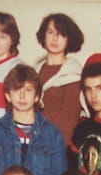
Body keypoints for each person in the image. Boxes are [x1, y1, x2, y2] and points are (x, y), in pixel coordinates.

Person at [34, 13, 84, 145]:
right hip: (34, 142)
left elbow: (69, 123)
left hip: (57, 144)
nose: (55, 38)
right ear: (44, 35)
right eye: (51, 32)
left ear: (69, 39)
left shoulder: (73, 73)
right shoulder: (35, 71)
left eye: (61, 34)